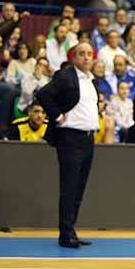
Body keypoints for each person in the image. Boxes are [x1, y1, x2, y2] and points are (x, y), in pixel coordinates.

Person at [34, 43, 99, 248]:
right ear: (74, 57)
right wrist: (58, 116)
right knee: (69, 187)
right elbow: (43, 94)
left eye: (89, 54)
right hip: (70, 138)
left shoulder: (90, 80)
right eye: (82, 54)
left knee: (79, 188)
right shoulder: (66, 75)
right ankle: (65, 234)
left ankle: (71, 230)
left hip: (88, 139)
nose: (86, 58)